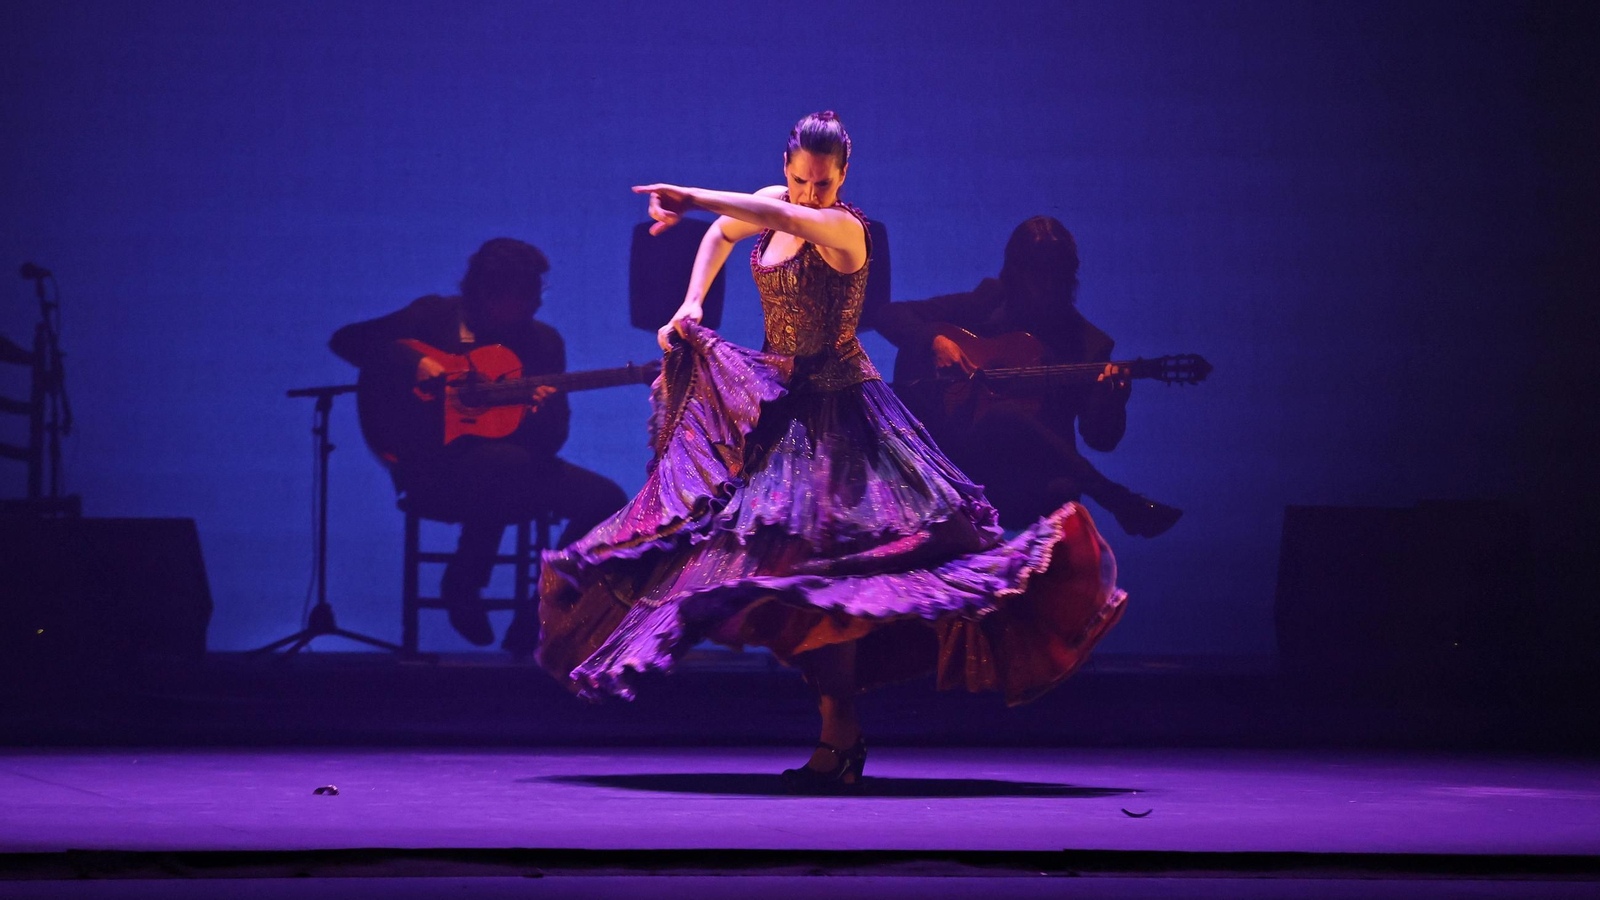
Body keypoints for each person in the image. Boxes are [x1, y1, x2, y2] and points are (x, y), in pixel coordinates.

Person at [535, 113, 1126, 792]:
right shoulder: (774, 203)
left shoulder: (846, 230)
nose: (809, 193)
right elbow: (730, 231)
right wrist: (693, 302)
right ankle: (837, 737)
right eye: (799, 180)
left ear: (843, 174)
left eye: (823, 180)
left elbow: (738, 213)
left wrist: (693, 198)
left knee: (841, 577)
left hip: (844, 421)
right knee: (784, 574)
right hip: (782, 409)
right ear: (786, 167)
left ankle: (840, 735)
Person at [329, 238, 627, 652]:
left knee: (606, 499)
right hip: (432, 469)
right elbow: (347, 341)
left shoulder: (543, 343)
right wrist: (416, 362)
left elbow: (551, 443)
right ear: (487, 293)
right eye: (523, 296)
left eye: (537, 294)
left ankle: (541, 613)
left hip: (514, 468)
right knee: (504, 465)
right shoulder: (433, 317)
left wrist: (535, 414)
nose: (534, 305)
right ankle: (465, 578)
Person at [872, 217, 1181, 537]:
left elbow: (1101, 439)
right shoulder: (987, 303)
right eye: (1037, 272)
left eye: (1057, 274)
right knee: (999, 414)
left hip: (1030, 479)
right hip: (958, 455)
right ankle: (1113, 495)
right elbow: (887, 315)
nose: (1048, 285)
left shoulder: (1089, 344)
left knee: (1010, 420)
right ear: (1016, 273)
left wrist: (1112, 401)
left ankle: (1110, 495)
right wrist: (935, 340)